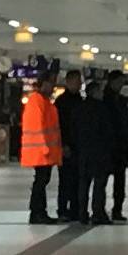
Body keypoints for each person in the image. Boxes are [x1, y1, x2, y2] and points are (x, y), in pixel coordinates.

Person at [85, 72, 128, 223]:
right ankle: (99, 210)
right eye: (120, 82)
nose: (121, 86)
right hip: (108, 147)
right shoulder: (105, 101)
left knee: (118, 181)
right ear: (112, 82)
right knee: (101, 180)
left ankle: (115, 209)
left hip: (119, 146)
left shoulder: (120, 100)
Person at [20, 72, 62, 223]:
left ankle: (39, 211)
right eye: (51, 83)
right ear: (43, 84)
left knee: (42, 181)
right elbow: (37, 126)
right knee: (40, 182)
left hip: (46, 150)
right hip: (40, 151)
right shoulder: (36, 101)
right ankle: (37, 212)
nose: (52, 87)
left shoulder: (44, 101)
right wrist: (45, 148)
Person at [54, 68, 86, 223]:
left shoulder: (80, 100)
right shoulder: (61, 102)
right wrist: (63, 144)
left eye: (80, 82)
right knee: (65, 180)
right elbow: (60, 125)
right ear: (68, 82)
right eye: (76, 81)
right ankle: (62, 209)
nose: (79, 84)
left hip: (79, 146)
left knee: (77, 179)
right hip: (67, 147)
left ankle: (75, 209)